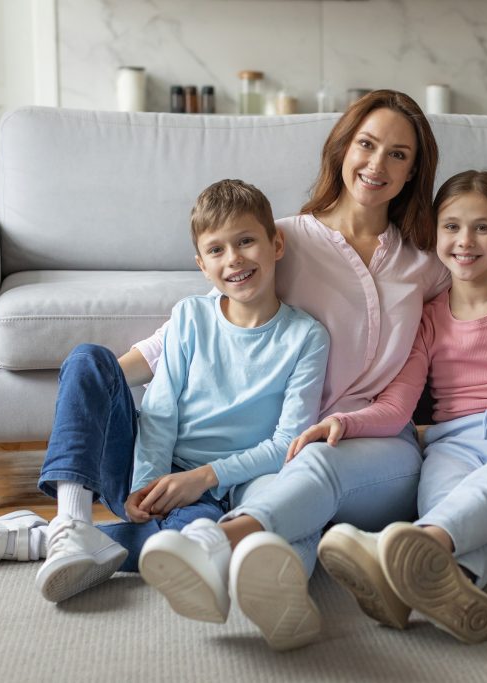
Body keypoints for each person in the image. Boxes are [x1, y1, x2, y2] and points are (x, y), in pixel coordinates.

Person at [136, 89, 450, 651]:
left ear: (413, 172)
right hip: (285, 440)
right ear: (342, 149)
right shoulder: (286, 237)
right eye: (367, 144)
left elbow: (481, 308)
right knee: (279, 513)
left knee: (312, 472)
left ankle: (213, 545)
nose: (377, 164)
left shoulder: (425, 263)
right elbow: (202, 322)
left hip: (380, 447)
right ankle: (287, 608)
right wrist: (104, 376)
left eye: (398, 155)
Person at [0, 179, 329, 605]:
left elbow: (287, 444)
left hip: (205, 493)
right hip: (142, 468)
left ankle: (33, 540)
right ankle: (70, 522)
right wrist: (147, 479)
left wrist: (201, 479)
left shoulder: (306, 337)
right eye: (217, 250)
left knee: (192, 544)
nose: (234, 259)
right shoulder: (191, 316)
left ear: (276, 243)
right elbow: (160, 406)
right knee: (88, 360)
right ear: (202, 264)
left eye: (246, 241)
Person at [285, 170, 487, 644]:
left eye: (482, 228)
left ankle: (402, 551)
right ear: (435, 235)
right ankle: (452, 589)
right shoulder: (429, 317)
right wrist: (341, 421)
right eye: (452, 227)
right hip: (451, 446)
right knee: (448, 502)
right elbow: (398, 406)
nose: (466, 241)